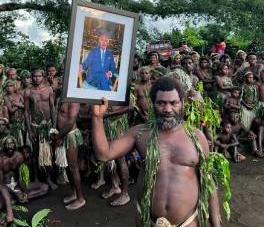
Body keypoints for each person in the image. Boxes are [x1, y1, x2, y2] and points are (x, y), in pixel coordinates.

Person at [91, 77, 221, 227]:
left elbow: (208, 181)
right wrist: (97, 117)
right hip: (148, 221)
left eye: (174, 103)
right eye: (161, 103)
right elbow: (103, 154)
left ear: (182, 103)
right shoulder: (140, 134)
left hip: (188, 222)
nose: (167, 109)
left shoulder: (197, 137)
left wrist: (216, 223)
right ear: (153, 104)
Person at [24, 67, 57, 189]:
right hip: (35, 126)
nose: (36, 78)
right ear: (32, 77)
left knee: (48, 152)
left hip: (48, 125)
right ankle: (36, 178)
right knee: (35, 152)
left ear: (43, 76)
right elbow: (27, 112)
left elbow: (53, 108)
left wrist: (54, 127)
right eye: (34, 76)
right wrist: (29, 130)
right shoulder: (28, 91)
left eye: (39, 76)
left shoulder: (49, 89)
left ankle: (48, 178)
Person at [0, 137, 49, 203]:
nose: (9, 146)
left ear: (15, 144)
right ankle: (16, 197)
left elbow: (22, 178)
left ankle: (21, 197)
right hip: (7, 187)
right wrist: (14, 193)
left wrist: (24, 191)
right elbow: (1, 184)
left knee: (45, 187)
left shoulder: (19, 156)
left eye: (11, 143)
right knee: (2, 197)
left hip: (19, 185)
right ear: (4, 146)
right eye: (7, 144)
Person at [56, 101, 86, 210]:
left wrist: (58, 137)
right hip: (63, 135)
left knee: (73, 167)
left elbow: (70, 122)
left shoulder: (74, 101)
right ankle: (74, 193)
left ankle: (80, 198)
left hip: (70, 135)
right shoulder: (62, 97)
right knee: (68, 167)